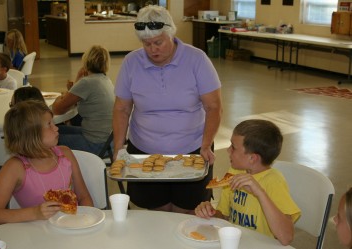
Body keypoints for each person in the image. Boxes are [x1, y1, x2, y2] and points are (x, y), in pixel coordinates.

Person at [113, 5, 222, 214]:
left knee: (188, 210)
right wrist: (119, 146)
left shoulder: (197, 60)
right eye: (146, 44)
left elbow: (214, 107)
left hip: (192, 149)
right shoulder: (131, 63)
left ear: (171, 33)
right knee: (156, 212)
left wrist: (206, 145)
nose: (153, 49)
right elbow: (121, 109)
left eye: (158, 42)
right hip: (144, 151)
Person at [0, 100, 93, 227]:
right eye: (49, 124)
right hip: (36, 235)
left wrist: (87, 221)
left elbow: (83, 196)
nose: (56, 128)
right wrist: (34, 213)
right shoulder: (15, 168)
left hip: (71, 227)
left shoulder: (65, 154)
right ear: (31, 134)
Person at [194, 119, 301, 246]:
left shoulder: (274, 181)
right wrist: (210, 212)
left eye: (233, 147)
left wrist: (259, 193)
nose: (228, 151)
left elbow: (286, 237)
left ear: (252, 158)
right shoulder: (233, 172)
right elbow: (224, 217)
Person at [52, 45, 114, 155]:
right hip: (108, 140)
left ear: (86, 61)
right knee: (56, 130)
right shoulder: (105, 80)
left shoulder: (87, 82)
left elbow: (58, 109)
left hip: (96, 143)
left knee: (46, 137)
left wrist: (59, 97)